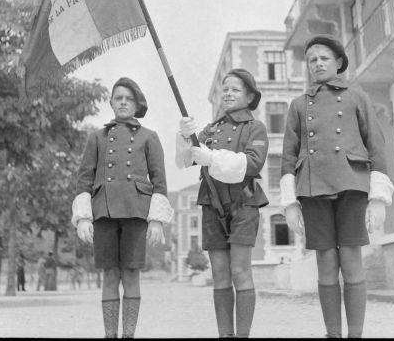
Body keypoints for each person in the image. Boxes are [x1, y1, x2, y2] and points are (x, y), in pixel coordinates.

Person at [280, 35, 394, 339]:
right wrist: (290, 203)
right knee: (326, 260)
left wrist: (379, 197)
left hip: (352, 185)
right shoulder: (298, 104)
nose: (317, 63)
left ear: (338, 62)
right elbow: (289, 154)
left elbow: (376, 146)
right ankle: (333, 334)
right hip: (313, 188)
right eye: (312, 60)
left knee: (351, 259)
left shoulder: (357, 97)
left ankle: (355, 334)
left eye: (324, 58)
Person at [71, 77, 173, 339]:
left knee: (130, 274)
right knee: (109, 275)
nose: (124, 102)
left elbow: (160, 181)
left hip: (136, 214)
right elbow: (84, 178)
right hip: (103, 213)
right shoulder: (97, 137)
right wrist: (83, 217)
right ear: (111, 103)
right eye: (119, 98)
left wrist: (157, 220)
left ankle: (128, 335)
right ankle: (110, 336)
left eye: (129, 98)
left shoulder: (149, 137)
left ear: (137, 103)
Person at [176, 68, 268, 338]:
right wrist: (184, 136)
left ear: (250, 96)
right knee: (219, 272)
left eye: (235, 89)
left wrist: (212, 158)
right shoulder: (211, 129)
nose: (228, 93)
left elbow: (253, 163)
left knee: (240, 270)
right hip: (212, 204)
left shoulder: (255, 127)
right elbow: (184, 160)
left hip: (244, 203)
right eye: (225, 89)